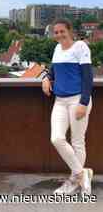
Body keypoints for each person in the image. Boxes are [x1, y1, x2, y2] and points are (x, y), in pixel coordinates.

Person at [42, 19, 93, 195]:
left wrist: (83, 103)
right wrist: (46, 78)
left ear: (69, 31)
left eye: (62, 31)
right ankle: (81, 173)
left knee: (78, 142)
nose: (59, 35)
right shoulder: (57, 49)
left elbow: (88, 77)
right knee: (56, 138)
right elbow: (53, 70)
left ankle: (73, 181)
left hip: (77, 100)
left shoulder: (81, 47)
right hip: (60, 101)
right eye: (55, 32)